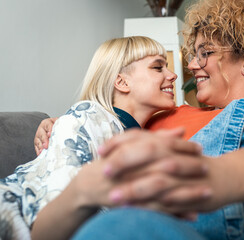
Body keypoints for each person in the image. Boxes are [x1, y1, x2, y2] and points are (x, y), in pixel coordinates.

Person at [34, 0, 244, 239]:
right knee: (113, 229)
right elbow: (104, 121)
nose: (191, 65)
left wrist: (213, 176)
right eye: (194, 54)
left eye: (206, 52)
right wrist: (59, 122)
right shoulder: (162, 115)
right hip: (174, 225)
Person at [0, 36, 201, 240]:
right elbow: (56, 209)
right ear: (121, 82)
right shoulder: (87, 115)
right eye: (158, 67)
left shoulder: (129, 133)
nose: (174, 75)